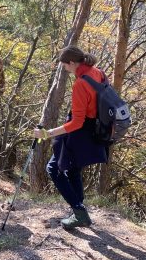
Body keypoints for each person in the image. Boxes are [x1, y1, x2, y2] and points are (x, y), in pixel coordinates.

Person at [33, 46, 110, 230]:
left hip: (81, 134)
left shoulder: (81, 84)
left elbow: (76, 123)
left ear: (73, 63)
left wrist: (47, 133)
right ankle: (78, 210)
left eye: (65, 66)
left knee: (54, 168)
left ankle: (79, 212)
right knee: (74, 170)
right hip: (97, 131)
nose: (65, 69)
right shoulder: (98, 72)